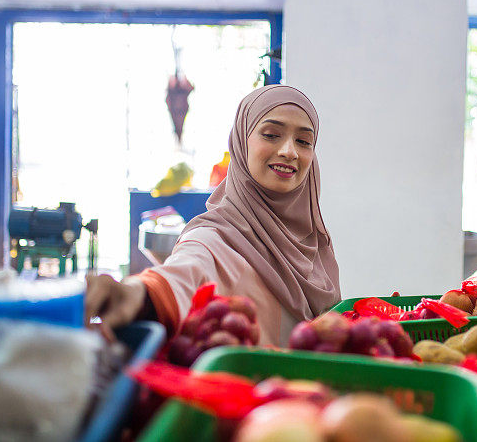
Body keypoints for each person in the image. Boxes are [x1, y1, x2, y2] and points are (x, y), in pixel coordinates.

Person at [85, 85, 341, 346]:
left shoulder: (314, 244)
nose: (289, 151)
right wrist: (136, 292)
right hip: (240, 387)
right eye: (271, 134)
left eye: (303, 141)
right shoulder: (214, 240)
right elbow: (184, 275)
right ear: (242, 142)